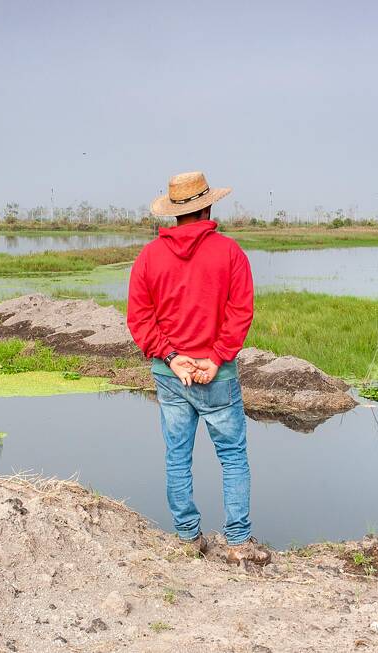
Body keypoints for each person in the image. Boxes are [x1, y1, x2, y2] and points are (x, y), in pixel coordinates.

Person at [127, 171, 271, 566]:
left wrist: (171, 357)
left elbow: (139, 319)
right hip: (217, 375)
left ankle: (188, 536)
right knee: (233, 457)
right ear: (207, 206)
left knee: (177, 455)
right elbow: (240, 312)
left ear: (175, 212)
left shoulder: (149, 257)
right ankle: (238, 542)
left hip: (170, 374)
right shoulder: (229, 253)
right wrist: (217, 356)